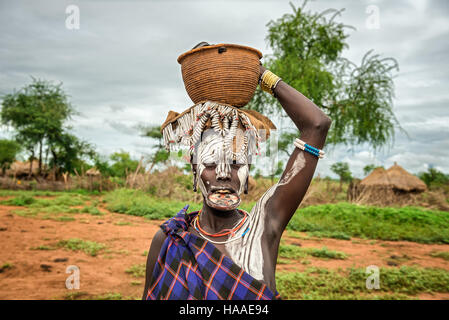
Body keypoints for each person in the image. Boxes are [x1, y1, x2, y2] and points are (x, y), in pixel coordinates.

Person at [142, 42, 331, 300]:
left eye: (235, 163)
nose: (223, 173)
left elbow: (317, 124)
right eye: (210, 164)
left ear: (248, 173)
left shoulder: (264, 227)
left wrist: (259, 74)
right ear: (195, 171)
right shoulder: (170, 239)